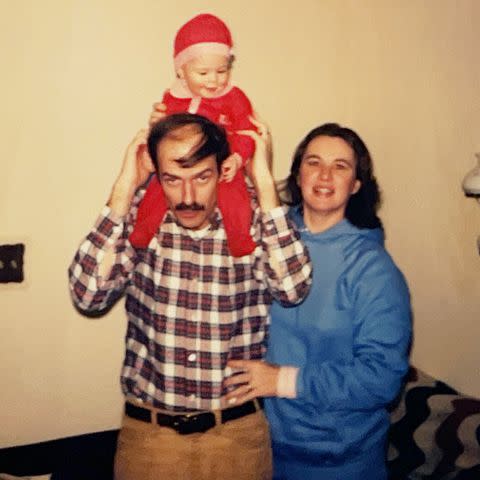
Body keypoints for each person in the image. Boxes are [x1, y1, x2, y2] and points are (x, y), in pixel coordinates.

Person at [68, 112, 312, 480]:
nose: (187, 198)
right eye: (172, 179)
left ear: (222, 169)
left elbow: (293, 289)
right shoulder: (139, 219)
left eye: (201, 177)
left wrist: (262, 180)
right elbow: (87, 295)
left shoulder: (253, 219)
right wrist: (124, 187)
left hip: (236, 441)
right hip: (152, 442)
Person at [225, 123, 412, 480]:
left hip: (338, 462)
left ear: (357, 184)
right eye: (313, 162)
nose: (325, 175)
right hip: (257, 449)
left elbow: (382, 378)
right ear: (297, 174)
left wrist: (281, 381)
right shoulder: (265, 241)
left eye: (341, 166)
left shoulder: (374, 270)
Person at [129, 13, 258, 257]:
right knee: (156, 191)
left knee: (236, 199)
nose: (214, 81)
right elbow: (163, 136)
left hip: (223, 164)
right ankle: (142, 233)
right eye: (203, 73)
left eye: (221, 71)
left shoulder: (234, 98)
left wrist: (238, 157)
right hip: (181, 164)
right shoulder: (172, 97)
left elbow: (247, 132)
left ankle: (240, 240)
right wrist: (155, 132)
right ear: (181, 71)